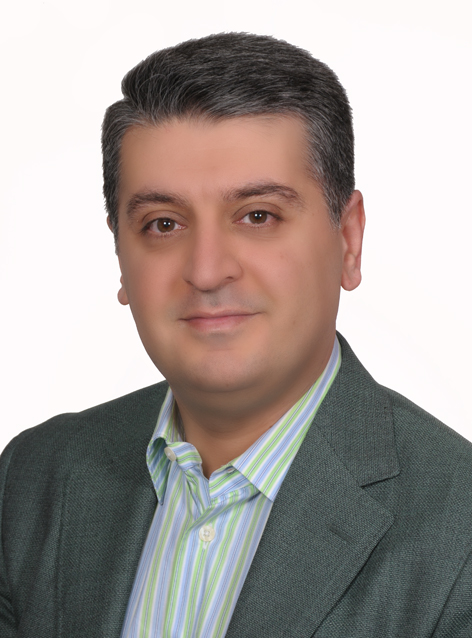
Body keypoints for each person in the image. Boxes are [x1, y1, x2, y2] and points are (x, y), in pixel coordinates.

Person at [1, 32, 471, 638]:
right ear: (120, 257)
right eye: (163, 224)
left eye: (258, 216)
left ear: (349, 240)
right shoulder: (32, 480)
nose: (206, 270)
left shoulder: (457, 529)